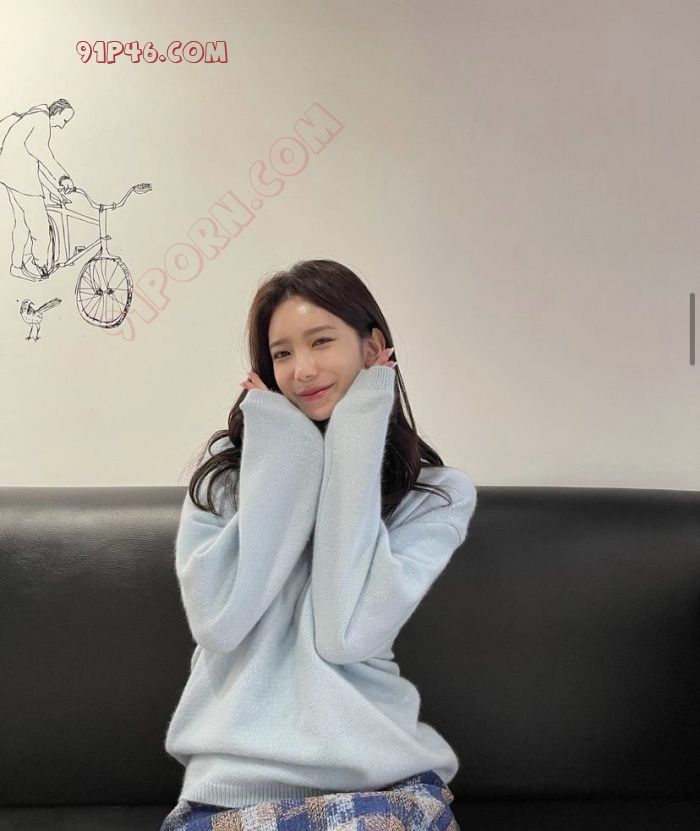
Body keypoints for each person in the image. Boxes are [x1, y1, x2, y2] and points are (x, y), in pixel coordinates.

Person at [160, 259, 478, 831]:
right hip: (234, 785)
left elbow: (344, 631)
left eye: (321, 341)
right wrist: (288, 450)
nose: (302, 369)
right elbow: (221, 623)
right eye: (282, 353)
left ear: (372, 346)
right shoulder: (223, 479)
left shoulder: (435, 496)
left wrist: (358, 429)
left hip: (380, 777)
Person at [0, 99, 76, 281]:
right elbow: (41, 152)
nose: (62, 126)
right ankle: (39, 265)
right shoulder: (41, 121)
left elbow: (36, 165)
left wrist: (55, 190)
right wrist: (63, 177)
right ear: (57, 112)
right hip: (22, 182)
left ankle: (16, 266)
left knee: (21, 224)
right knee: (40, 228)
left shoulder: (31, 118)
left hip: (11, 177)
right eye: (64, 120)